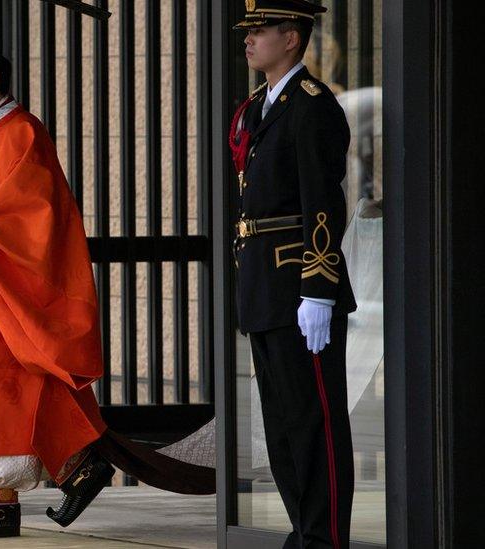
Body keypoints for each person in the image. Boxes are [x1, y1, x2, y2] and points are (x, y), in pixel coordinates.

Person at [0, 0, 214, 540]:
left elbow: (38, 215)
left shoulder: (22, 133)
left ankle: (10, 498)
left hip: (3, 288)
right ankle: (68, 471)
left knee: (4, 387)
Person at [230, 0, 357, 546]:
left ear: (292, 38)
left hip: (300, 287)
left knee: (315, 425)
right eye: (248, 31)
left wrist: (319, 289)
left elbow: (322, 202)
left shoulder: (312, 106)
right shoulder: (262, 105)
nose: (249, 39)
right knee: (281, 429)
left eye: (261, 30)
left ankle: (326, 538)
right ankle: (305, 532)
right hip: (264, 286)